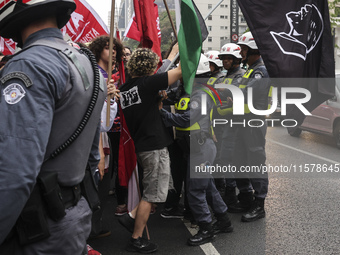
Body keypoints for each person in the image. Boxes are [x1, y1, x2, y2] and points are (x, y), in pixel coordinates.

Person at [0, 0, 106, 254]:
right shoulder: (88, 65)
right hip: (73, 216)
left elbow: (16, 172)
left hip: (36, 225)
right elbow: (93, 158)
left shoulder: (29, 64)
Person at [160, 54, 233, 246]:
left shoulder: (200, 95)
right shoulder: (189, 92)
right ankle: (224, 221)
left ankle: (206, 229)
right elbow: (175, 102)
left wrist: (161, 114)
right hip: (195, 148)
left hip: (200, 149)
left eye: (183, 73)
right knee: (207, 187)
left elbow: (186, 119)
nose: (179, 76)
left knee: (195, 191)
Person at [118, 48, 182, 253]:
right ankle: (136, 239)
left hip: (142, 144)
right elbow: (181, 71)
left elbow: (149, 109)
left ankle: (130, 218)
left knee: (152, 189)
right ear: (150, 67)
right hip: (153, 146)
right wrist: (188, 51)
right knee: (152, 194)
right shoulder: (147, 84)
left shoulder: (126, 87)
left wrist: (158, 98)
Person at [231, 31, 271, 222]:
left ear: (254, 49)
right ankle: (246, 197)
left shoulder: (260, 71)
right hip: (242, 121)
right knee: (239, 159)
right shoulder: (250, 69)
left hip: (253, 122)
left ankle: (259, 204)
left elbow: (245, 94)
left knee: (255, 161)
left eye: (245, 49)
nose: (242, 53)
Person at [89, 35, 123, 236]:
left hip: (105, 135)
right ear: (98, 50)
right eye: (108, 48)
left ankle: (95, 225)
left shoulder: (110, 76)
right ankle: (89, 229)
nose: (113, 52)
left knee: (102, 184)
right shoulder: (95, 75)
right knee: (95, 183)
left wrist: (111, 99)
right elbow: (97, 121)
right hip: (94, 140)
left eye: (115, 49)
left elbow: (107, 121)